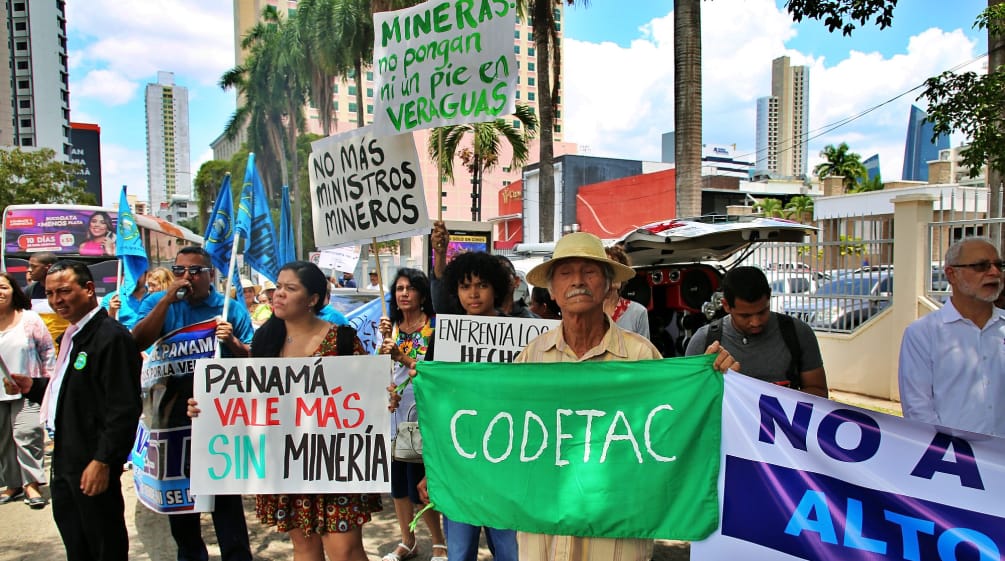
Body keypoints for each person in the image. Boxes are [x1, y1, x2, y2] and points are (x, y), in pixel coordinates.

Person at [513, 232, 738, 561]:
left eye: (589, 272)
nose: (577, 281)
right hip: (545, 524)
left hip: (616, 524)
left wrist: (714, 381)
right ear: (552, 290)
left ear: (607, 284)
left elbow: (672, 428)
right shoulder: (530, 358)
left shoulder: (640, 356)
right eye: (565, 273)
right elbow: (510, 432)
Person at [189, 261, 381, 561]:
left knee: (345, 551)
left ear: (313, 299)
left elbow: (365, 398)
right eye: (278, 286)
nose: (278, 294)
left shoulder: (342, 340)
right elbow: (248, 400)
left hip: (336, 463)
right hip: (289, 464)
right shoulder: (266, 342)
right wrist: (208, 408)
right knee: (304, 548)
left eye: (290, 289)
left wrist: (384, 398)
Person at [4, 260, 141, 561]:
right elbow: (71, 390)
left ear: (89, 289)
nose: (56, 301)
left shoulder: (110, 336)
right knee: (77, 544)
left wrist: (103, 461)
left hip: (92, 460)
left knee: (103, 543)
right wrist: (33, 386)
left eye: (64, 291)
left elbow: (124, 408)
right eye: (51, 294)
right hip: (66, 456)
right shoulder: (73, 335)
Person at [132, 247, 253, 561]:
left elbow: (256, 362)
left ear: (210, 274)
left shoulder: (230, 309)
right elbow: (137, 341)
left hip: (217, 421)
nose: (188, 277)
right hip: (171, 422)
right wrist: (165, 301)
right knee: (182, 511)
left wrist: (233, 343)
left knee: (226, 506)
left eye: (196, 270)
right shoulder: (160, 303)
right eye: (180, 270)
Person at [434, 250, 518, 561]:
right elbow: (436, 405)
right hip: (459, 464)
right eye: (465, 286)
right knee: (458, 553)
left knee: (512, 552)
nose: (473, 293)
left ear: (495, 288)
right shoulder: (444, 340)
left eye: (481, 285)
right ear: (455, 291)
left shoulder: (523, 337)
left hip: (511, 463)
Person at [899, 237, 1005, 436]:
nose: (995, 273)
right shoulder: (923, 333)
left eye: (999, 265)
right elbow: (918, 410)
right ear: (952, 274)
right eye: (981, 266)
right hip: (954, 460)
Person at [377, 269, 446, 561]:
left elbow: (435, 373)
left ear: (421, 294)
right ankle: (407, 541)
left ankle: (440, 543)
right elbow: (380, 371)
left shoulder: (435, 328)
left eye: (410, 288)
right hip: (394, 417)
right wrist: (385, 391)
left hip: (425, 417)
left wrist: (402, 357)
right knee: (398, 486)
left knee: (421, 483)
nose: (403, 293)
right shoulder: (387, 327)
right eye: (399, 288)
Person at [684, 266, 828, 398]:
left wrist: (776, 400)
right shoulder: (704, 341)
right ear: (726, 306)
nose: (756, 322)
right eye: (745, 316)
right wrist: (709, 378)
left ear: (769, 296)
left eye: (762, 311)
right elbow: (688, 401)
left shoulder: (797, 333)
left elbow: (819, 394)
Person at [0, 272, 54, 509]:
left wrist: (48, 383)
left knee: (27, 434)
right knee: (3, 441)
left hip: (28, 389)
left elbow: (47, 351)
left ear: (14, 290)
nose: (0, 293)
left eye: (3, 287)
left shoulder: (30, 319)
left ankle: (31, 484)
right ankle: (12, 484)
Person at [603, 245, 649, 338]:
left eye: (617, 269)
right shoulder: (585, 311)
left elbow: (645, 351)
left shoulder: (638, 312)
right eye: (608, 269)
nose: (614, 274)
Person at [24, 252, 68, 343]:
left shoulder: (68, 288)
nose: (29, 270)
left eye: (34, 266)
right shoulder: (30, 290)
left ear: (48, 267)